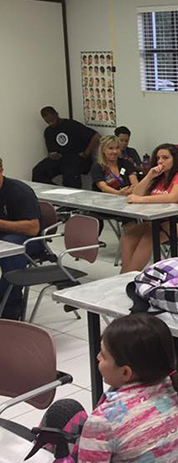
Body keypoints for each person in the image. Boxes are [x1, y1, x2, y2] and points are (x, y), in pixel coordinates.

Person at [72, 314, 178, 463]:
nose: (97, 357)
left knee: (66, 413)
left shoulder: (104, 422)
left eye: (103, 355)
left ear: (125, 372)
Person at [120, 144, 178, 273]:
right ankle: (124, 274)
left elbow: (172, 198)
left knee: (148, 238)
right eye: (158, 158)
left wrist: (141, 200)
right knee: (129, 235)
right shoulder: (159, 176)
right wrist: (149, 176)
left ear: (175, 159)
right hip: (159, 219)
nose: (160, 161)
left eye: (165, 158)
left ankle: (127, 275)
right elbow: (136, 193)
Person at [0, 156, 41, 320]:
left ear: (1, 171)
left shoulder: (18, 191)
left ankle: (10, 307)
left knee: (11, 251)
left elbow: (33, 228)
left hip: (29, 240)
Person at [32, 106, 99, 188]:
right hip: (60, 159)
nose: (51, 123)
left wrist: (86, 153)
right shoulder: (48, 131)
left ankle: (71, 196)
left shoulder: (71, 125)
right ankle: (53, 192)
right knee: (38, 171)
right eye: (48, 122)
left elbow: (96, 136)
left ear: (56, 114)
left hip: (76, 157)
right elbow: (50, 151)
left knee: (70, 174)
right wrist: (52, 155)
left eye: (52, 120)